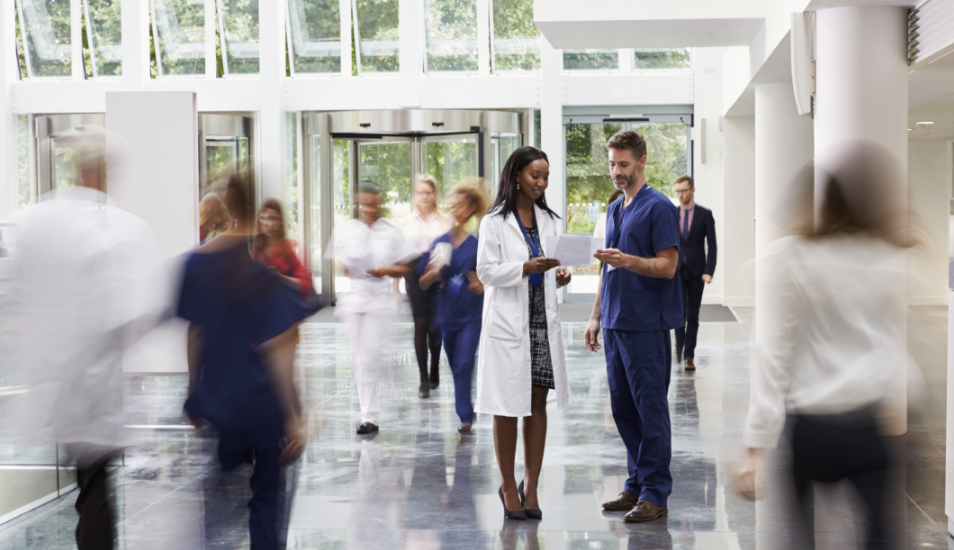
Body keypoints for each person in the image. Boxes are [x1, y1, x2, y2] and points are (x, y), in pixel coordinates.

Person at [737, 144, 909, 549]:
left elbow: (773, 354)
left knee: (802, 540)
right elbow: (894, 347)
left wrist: (755, 447)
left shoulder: (790, 258)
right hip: (867, 426)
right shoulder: (882, 257)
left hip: (812, 430)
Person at [7, 126, 163, 550]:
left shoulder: (35, 218)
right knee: (95, 492)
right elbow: (136, 312)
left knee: (89, 487)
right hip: (95, 388)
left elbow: (16, 298)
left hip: (55, 384)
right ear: (106, 169)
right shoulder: (123, 229)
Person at [179, 174, 306, 550]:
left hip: (221, 399)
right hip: (264, 406)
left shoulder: (195, 264)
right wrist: (295, 416)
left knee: (220, 503)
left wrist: (193, 390)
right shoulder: (264, 277)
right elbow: (278, 352)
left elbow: (195, 333)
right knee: (267, 502)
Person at [584, 130, 682, 523]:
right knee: (623, 408)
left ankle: (656, 492)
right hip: (614, 321)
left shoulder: (658, 208)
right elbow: (607, 267)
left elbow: (669, 265)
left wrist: (630, 261)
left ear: (642, 162)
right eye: (612, 164)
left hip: (646, 324)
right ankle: (637, 484)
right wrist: (594, 316)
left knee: (650, 409)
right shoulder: (614, 209)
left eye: (623, 164)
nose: (616, 171)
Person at [475, 146, 573, 521]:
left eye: (546, 177)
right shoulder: (494, 221)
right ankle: (506, 484)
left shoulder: (548, 219)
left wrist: (557, 275)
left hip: (540, 322)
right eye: (535, 176)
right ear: (517, 175)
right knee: (506, 406)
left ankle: (531, 486)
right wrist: (525, 267)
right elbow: (486, 271)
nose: (542, 183)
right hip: (508, 324)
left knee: (537, 401)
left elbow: (550, 268)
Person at [326, 182, 415, 435]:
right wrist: (346, 267)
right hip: (354, 298)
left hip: (379, 299)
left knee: (373, 353)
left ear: (380, 203)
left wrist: (384, 270)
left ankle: (393, 387)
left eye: (374, 203)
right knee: (359, 357)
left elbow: (405, 266)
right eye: (365, 204)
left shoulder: (392, 231)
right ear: (358, 204)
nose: (370, 209)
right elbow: (336, 261)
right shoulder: (346, 230)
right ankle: (369, 417)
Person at [419, 181, 490, 433]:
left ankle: (465, 415)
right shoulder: (441, 242)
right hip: (447, 314)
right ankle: (466, 408)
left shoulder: (479, 244)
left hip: (471, 313)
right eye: (452, 206)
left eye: (461, 206)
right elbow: (424, 281)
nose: (455, 210)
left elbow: (491, 277)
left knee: (464, 362)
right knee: (455, 363)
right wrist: (434, 273)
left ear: (471, 209)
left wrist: (485, 285)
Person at [400, 174, 453, 398]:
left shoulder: (445, 221)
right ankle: (423, 377)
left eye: (428, 192)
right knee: (420, 323)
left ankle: (434, 368)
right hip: (413, 274)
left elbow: (449, 249)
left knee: (434, 327)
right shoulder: (405, 222)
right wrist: (394, 286)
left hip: (438, 274)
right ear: (415, 195)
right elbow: (400, 256)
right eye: (420, 192)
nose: (424, 196)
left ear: (434, 195)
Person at [672, 175, 717, 371]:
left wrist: (709, 271)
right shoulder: (672, 214)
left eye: (684, 191)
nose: (680, 195)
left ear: (692, 190)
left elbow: (713, 246)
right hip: (677, 271)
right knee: (678, 313)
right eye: (678, 191)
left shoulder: (705, 215)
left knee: (693, 315)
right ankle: (679, 350)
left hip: (698, 272)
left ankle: (689, 355)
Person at [252, 198, 321, 323]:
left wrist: (278, 277)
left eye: (273, 218)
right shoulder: (255, 250)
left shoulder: (288, 249)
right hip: (262, 317)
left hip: (286, 318)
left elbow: (303, 284)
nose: (269, 223)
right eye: (264, 218)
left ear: (281, 222)